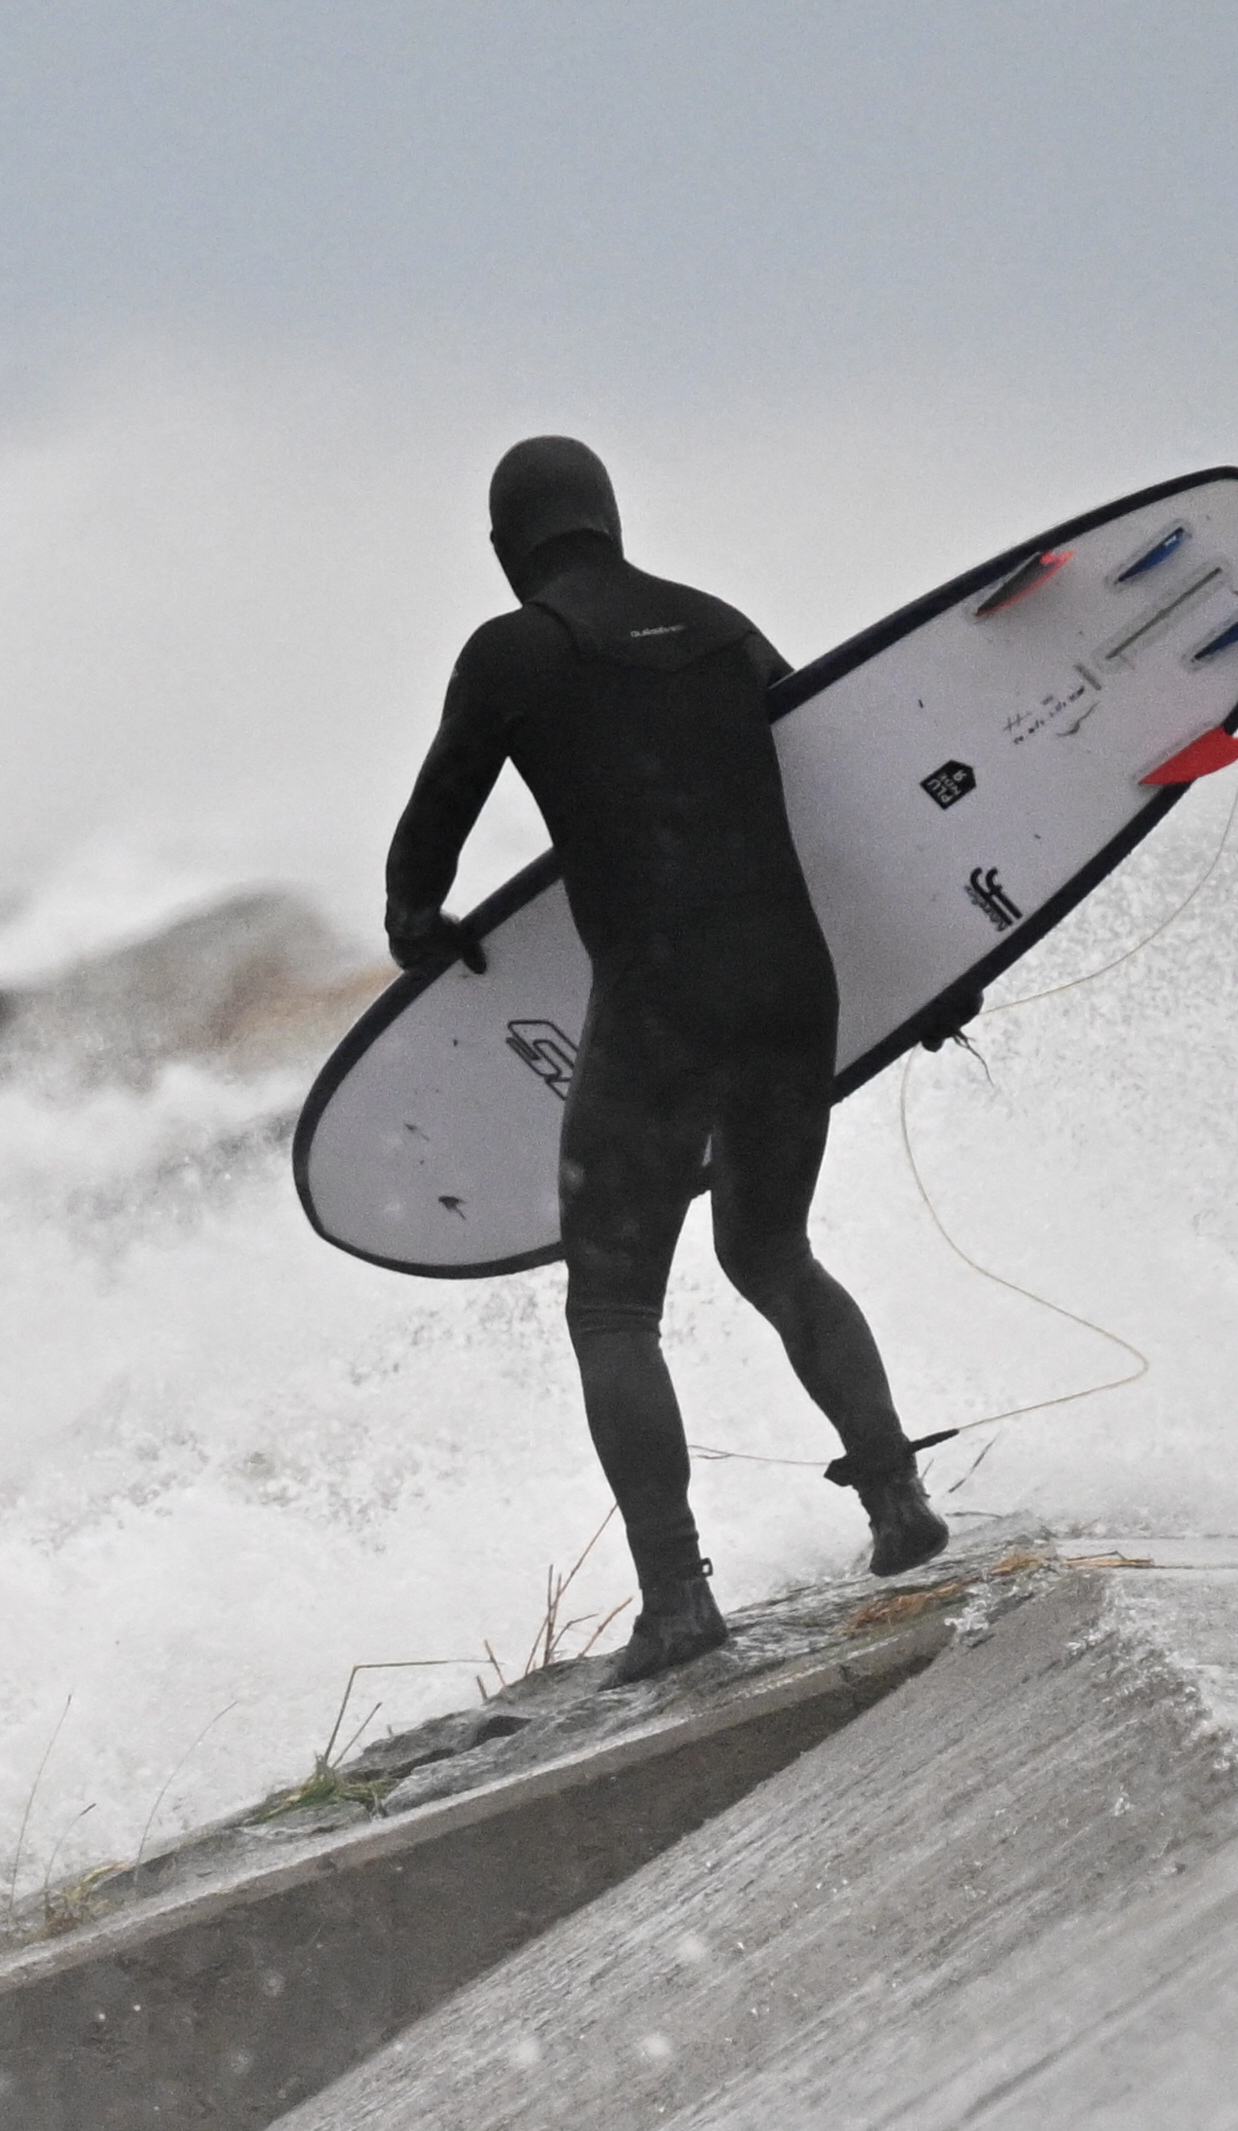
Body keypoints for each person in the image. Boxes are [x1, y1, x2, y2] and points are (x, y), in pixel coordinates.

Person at [380, 433, 948, 1680]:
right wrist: (930, 974)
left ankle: (676, 1599)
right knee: (768, 1248)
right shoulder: (716, 625)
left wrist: (418, 927)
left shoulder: (513, 651)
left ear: (502, 549)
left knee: (613, 1304)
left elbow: (430, 832)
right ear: (612, 520)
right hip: (792, 988)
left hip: (660, 1004)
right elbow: (846, 782)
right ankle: (898, 1501)